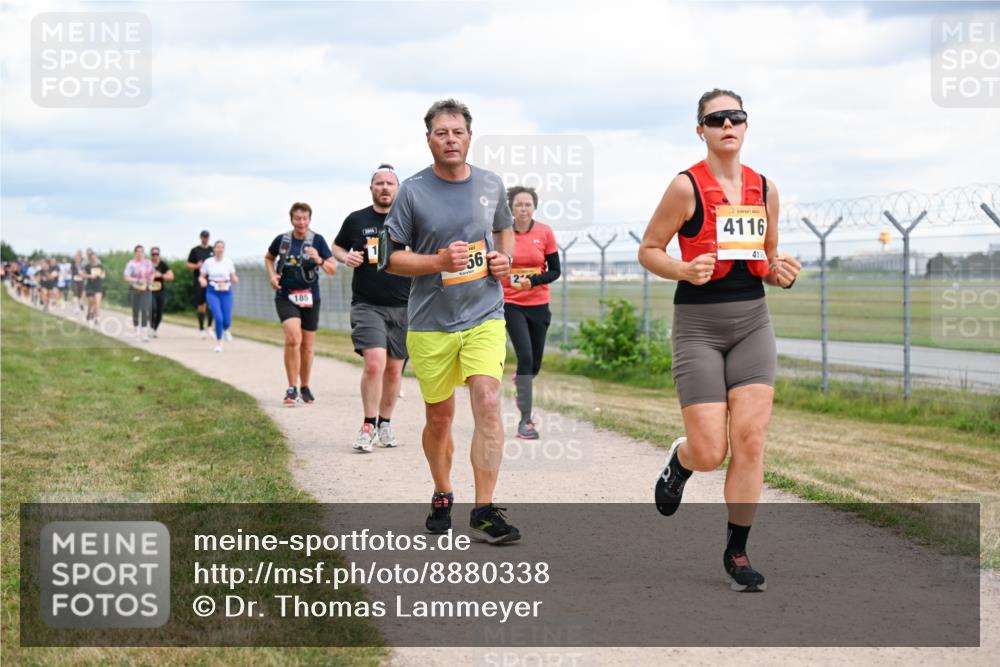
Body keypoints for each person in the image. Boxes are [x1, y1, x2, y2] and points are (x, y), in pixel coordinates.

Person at [638, 88, 801, 592]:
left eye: (736, 117)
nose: (727, 125)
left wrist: (781, 271)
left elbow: (767, 259)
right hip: (699, 327)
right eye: (716, 119)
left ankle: (737, 550)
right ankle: (681, 461)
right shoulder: (685, 187)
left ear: (746, 126)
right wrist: (684, 268)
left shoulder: (766, 188)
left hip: (753, 322)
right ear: (701, 129)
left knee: (750, 439)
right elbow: (649, 250)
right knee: (711, 451)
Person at [383, 98, 519, 544]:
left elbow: (504, 232)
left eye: (457, 132)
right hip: (430, 321)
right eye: (441, 133)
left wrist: (504, 259)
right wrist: (438, 261)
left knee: (488, 401)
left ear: (469, 136)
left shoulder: (490, 183)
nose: (450, 139)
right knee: (439, 418)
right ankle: (443, 492)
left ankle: (484, 509)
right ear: (429, 140)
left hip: (484, 312)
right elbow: (391, 259)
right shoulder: (413, 191)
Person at [333, 164, 412, 452]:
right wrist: (346, 257)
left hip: (404, 306)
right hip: (367, 303)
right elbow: (337, 246)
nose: (384, 188)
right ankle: (367, 425)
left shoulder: (409, 220)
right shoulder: (356, 219)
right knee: (375, 362)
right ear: (371, 189)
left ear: (398, 188)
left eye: (390, 183)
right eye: (379, 183)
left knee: (394, 370)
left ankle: (385, 424)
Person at [502, 186, 561, 440]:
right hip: (510, 302)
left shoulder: (544, 232)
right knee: (525, 357)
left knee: (534, 364)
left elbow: (555, 270)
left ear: (533, 207)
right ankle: (525, 421)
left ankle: (522, 380)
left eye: (527, 204)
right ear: (511, 208)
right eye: (518, 204)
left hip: (538, 303)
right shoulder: (502, 233)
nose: (523, 209)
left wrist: (534, 281)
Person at [265, 203, 336, 403]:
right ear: (291, 220)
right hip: (286, 295)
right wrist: (272, 276)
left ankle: (304, 386)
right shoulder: (282, 240)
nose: (301, 222)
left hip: (311, 297)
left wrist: (319, 259)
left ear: (309, 220)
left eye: (305, 219)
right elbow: (269, 258)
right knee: (292, 338)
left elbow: (332, 269)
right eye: (297, 218)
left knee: (307, 346)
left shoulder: (318, 240)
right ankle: (291, 388)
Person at [198, 240, 238, 352]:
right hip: (212, 291)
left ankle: (226, 329)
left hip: (226, 291)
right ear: (214, 249)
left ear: (224, 249)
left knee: (227, 320)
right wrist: (202, 281)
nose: (220, 249)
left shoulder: (228, 262)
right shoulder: (208, 262)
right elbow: (201, 276)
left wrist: (235, 279)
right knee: (218, 317)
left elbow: (233, 275)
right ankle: (219, 343)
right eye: (218, 247)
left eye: (222, 247)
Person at [124, 244, 156, 342]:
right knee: (135, 310)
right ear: (135, 253)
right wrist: (137, 280)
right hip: (135, 288)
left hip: (146, 288)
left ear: (143, 252)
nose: (140, 253)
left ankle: (144, 334)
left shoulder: (148, 263)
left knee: (145, 310)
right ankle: (136, 331)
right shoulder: (131, 264)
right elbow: (126, 277)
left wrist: (151, 279)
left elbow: (153, 273)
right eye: (138, 251)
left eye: (141, 251)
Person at [187, 230, 215, 338]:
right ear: (200, 237)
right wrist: (196, 266)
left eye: (207, 236)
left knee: (211, 304)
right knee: (202, 305)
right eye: (204, 236)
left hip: (212, 280)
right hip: (199, 280)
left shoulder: (213, 250)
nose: (205, 238)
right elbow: (188, 265)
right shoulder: (195, 250)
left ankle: (209, 327)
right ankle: (201, 328)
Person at [149, 247, 174, 337]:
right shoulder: (148, 264)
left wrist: (161, 275)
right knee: (153, 308)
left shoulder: (163, 264)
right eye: (153, 254)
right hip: (150, 291)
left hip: (161, 291)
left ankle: (155, 329)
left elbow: (171, 276)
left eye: (157, 254)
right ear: (151, 255)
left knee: (160, 311)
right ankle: (151, 327)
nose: (155, 256)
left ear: (159, 254)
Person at [82, 249, 105, 325]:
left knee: (97, 302)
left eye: (94, 257)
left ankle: (97, 318)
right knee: (91, 302)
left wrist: (101, 276)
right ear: (89, 259)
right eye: (91, 258)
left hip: (98, 286)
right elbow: (82, 275)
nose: (93, 259)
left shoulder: (100, 266)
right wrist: (90, 276)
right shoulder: (87, 267)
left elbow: (103, 275)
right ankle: (89, 313)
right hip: (90, 286)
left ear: (96, 258)